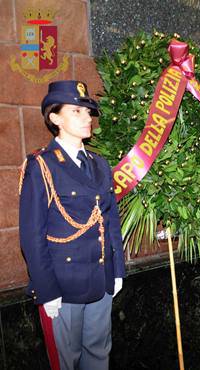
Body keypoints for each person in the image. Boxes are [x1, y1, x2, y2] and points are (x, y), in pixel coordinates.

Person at [19, 80, 126, 370]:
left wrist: (117, 270)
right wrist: (47, 290)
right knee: (67, 362)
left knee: (98, 354)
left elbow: (110, 219)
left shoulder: (100, 164)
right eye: (76, 112)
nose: (87, 118)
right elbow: (32, 235)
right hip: (63, 285)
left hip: (100, 278)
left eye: (88, 112)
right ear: (55, 118)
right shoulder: (42, 165)